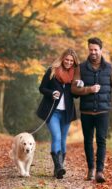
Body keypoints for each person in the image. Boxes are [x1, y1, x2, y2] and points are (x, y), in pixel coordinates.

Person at [71, 37, 112, 183]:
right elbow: (74, 89)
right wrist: (89, 89)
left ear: (101, 50)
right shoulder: (81, 68)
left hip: (103, 112)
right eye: (91, 50)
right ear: (88, 50)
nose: (93, 52)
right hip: (86, 112)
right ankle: (91, 169)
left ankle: (100, 172)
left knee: (102, 140)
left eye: (96, 50)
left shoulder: (109, 68)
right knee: (88, 141)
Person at [36, 48, 79, 179]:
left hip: (66, 112)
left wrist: (79, 86)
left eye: (71, 61)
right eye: (67, 59)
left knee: (63, 140)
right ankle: (59, 167)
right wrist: (51, 93)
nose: (69, 62)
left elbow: (75, 95)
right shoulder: (52, 70)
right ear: (62, 58)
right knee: (57, 136)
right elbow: (42, 88)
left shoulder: (75, 74)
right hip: (52, 111)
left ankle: (58, 169)